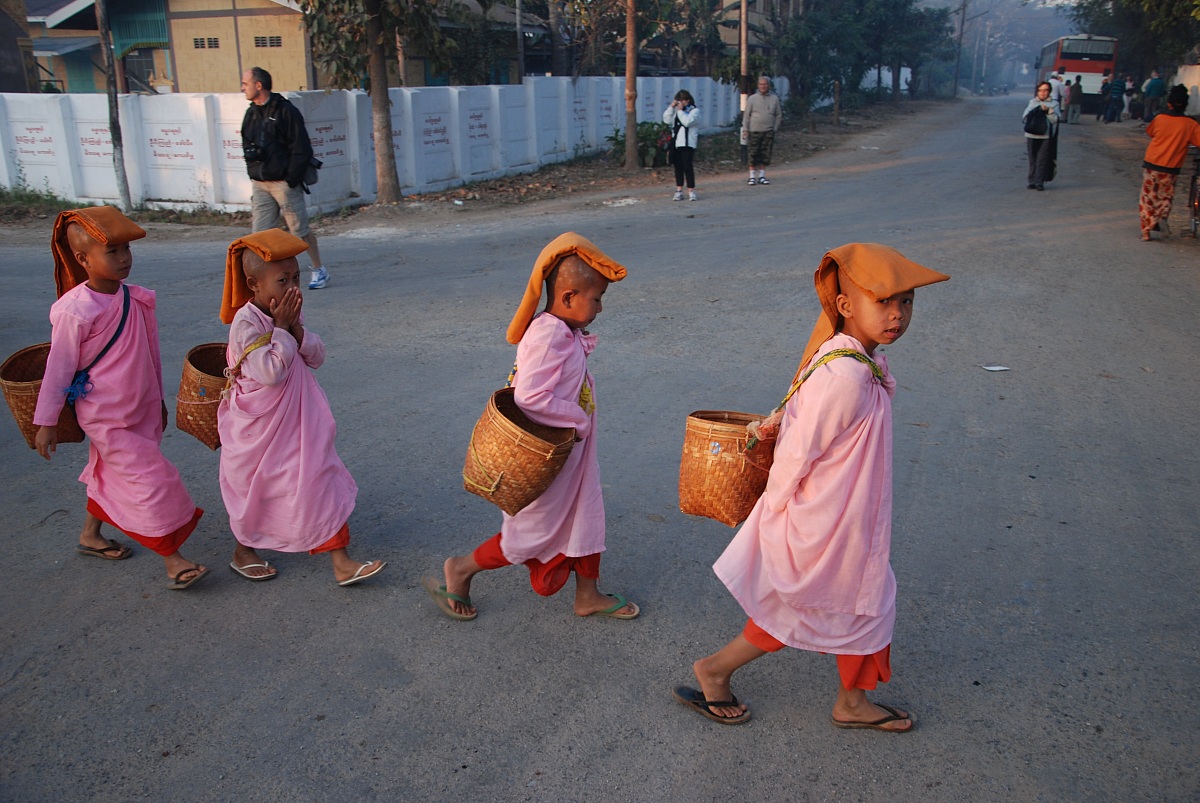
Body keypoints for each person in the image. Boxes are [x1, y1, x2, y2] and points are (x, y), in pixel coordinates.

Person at [672, 243, 949, 728]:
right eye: (883, 301)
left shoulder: (851, 359)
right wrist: (776, 516)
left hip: (844, 518)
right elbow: (797, 452)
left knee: (845, 607)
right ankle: (726, 673)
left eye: (906, 301)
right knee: (856, 605)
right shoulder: (844, 375)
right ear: (845, 307)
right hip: (824, 522)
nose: (897, 314)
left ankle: (840, 699)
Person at [423, 232, 638, 622]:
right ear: (569, 296)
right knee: (530, 534)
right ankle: (461, 568)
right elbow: (530, 398)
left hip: (571, 455)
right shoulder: (548, 334)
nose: (601, 308)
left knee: (586, 515)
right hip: (547, 457)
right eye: (597, 298)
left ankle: (587, 595)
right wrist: (578, 420)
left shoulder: (564, 330)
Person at [33, 207, 207, 590]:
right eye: (112, 251)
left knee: (113, 472)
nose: (125, 258)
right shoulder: (75, 310)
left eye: (126, 249)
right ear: (82, 259)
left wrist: (158, 401)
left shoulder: (134, 299)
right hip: (105, 414)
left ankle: (90, 535)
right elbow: (58, 370)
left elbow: (149, 354)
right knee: (152, 479)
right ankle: (173, 560)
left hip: (141, 407)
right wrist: (46, 422)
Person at [216, 230, 386, 586]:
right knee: (258, 491)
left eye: (296, 277)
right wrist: (281, 328)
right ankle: (243, 550)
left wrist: (294, 328)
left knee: (318, 478)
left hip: (299, 427)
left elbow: (317, 356)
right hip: (259, 431)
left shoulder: (288, 312)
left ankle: (341, 562)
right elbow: (270, 372)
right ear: (253, 284)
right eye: (282, 280)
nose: (293, 287)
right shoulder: (245, 324)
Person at [240, 67, 330, 291]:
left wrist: (291, 179)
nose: (243, 87)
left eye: (245, 83)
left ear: (258, 85)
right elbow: (246, 142)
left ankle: (318, 269)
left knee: (299, 231)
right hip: (260, 183)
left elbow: (301, 147)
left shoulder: (285, 111)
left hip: (284, 183)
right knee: (259, 235)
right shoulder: (251, 113)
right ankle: (266, 278)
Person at [1138, 85, 1200, 241]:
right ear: (1185, 104)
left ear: (1169, 103)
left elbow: (1150, 132)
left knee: (1148, 197)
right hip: (1171, 167)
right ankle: (1161, 217)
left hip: (1152, 163)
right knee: (1165, 196)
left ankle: (1146, 231)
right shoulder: (1191, 124)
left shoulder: (1159, 118)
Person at [743, 76, 782, 186]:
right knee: (753, 153)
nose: (763, 86)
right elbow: (746, 115)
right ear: (758, 86)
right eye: (761, 84)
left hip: (768, 131)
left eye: (765, 84)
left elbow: (778, 115)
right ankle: (751, 177)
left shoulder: (774, 98)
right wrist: (745, 129)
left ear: (768, 85)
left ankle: (762, 176)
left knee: (765, 154)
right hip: (754, 130)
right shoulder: (752, 98)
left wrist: (775, 128)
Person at [663, 89, 700, 201]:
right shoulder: (677, 111)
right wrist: (672, 107)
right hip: (676, 142)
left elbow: (687, 122)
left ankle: (691, 190)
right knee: (678, 167)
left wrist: (679, 111)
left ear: (687, 101)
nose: (680, 103)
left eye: (682, 100)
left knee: (687, 167)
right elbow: (666, 119)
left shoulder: (694, 111)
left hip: (688, 143)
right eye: (678, 101)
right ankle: (679, 190)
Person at [1023, 81, 1059, 191]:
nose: (1043, 93)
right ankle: (1032, 181)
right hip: (1031, 135)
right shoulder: (1032, 102)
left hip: (1045, 136)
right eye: (1041, 90)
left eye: (1045, 90)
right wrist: (1036, 110)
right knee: (1032, 159)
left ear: (1049, 92)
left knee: (1041, 159)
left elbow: (1055, 120)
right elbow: (1024, 117)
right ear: (1038, 91)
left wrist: (1048, 111)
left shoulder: (1054, 104)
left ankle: (1039, 182)